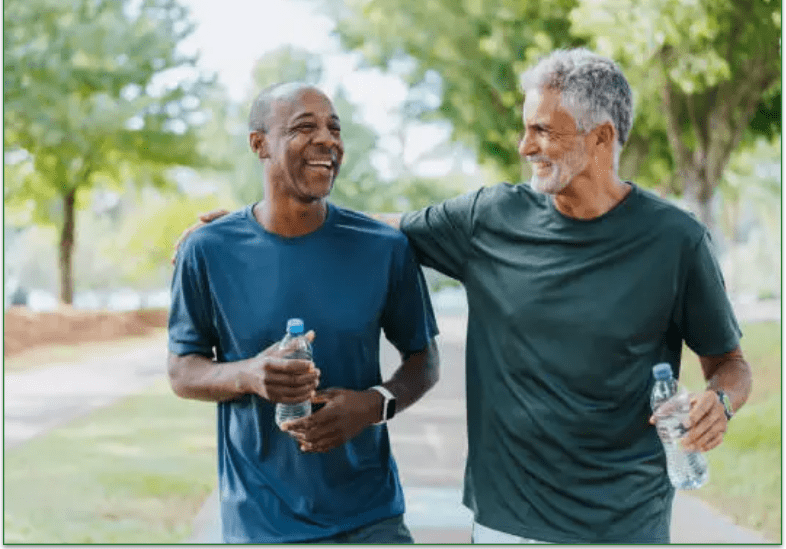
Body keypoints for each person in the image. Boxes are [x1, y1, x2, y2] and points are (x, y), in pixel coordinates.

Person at [175, 49, 752, 544]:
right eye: (526, 127)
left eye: (543, 130)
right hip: (505, 522)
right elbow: (384, 227)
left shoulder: (676, 241)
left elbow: (730, 365)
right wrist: (255, 223)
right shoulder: (490, 218)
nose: (525, 146)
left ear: (601, 138)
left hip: (628, 522)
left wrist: (718, 403)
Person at [168, 82, 439, 544]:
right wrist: (250, 375)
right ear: (260, 145)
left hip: (371, 518)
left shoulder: (384, 248)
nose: (328, 140)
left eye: (334, 128)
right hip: (261, 523)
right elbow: (182, 371)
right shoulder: (207, 251)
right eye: (304, 127)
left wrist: (372, 405)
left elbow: (424, 359)